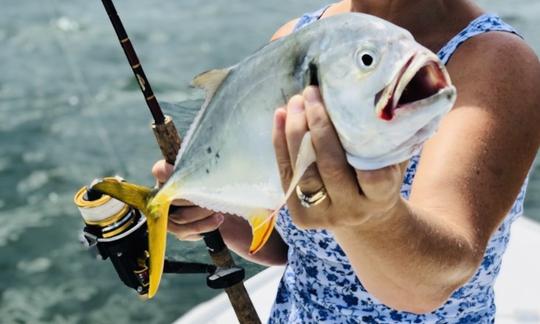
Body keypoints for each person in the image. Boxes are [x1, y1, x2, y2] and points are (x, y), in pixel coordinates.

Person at [153, 0, 540, 322]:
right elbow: (291, 246)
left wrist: (373, 217)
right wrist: (213, 212)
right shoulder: (297, 39)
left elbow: (432, 283)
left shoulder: (496, 61)